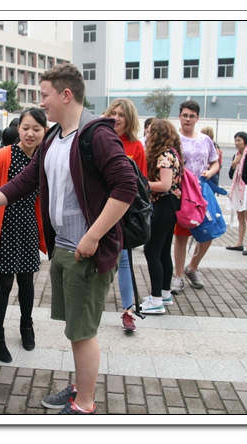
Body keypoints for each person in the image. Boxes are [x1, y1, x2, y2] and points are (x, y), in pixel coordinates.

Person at [0, 63, 137, 414]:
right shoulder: (55, 136)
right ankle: (80, 387)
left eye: (44, 95)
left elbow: (126, 186)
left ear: (66, 94)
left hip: (85, 252)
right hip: (65, 249)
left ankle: (84, 404)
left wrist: (93, 237)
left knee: (83, 331)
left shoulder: (95, 134)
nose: (41, 102)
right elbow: (24, 182)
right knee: (75, 329)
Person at [0, 108, 48, 363]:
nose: (30, 133)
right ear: (19, 129)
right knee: (4, 284)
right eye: (26, 128)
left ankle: (27, 326)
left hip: (29, 225)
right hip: (5, 226)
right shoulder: (4, 154)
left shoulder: (43, 158)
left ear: (44, 132)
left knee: (27, 282)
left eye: (36, 129)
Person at [103, 98, 147, 330]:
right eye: (114, 113)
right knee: (98, 258)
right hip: (98, 208)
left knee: (125, 260)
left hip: (124, 211)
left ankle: (128, 311)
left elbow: (142, 184)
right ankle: (91, 307)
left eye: (122, 115)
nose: (117, 118)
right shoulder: (99, 139)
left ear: (129, 119)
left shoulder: (136, 146)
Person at [171, 100, 220, 294]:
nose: (188, 119)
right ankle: (178, 277)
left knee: (208, 232)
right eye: (185, 115)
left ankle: (192, 267)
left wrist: (210, 172)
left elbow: (215, 162)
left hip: (202, 192)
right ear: (179, 116)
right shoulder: (173, 139)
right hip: (182, 194)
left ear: (197, 118)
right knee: (181, 237)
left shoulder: (205, 140)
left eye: (192, 116)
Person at [136, 119, 184, 314]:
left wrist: (141, 183)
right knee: (163, 251)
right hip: (171, 206)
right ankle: (164, 293)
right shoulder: (173, 153)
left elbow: (164, 185)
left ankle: (156, 300)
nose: (147, 134)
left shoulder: (164, 156)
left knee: (152, 251)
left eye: (150, 131)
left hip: (162, 206)